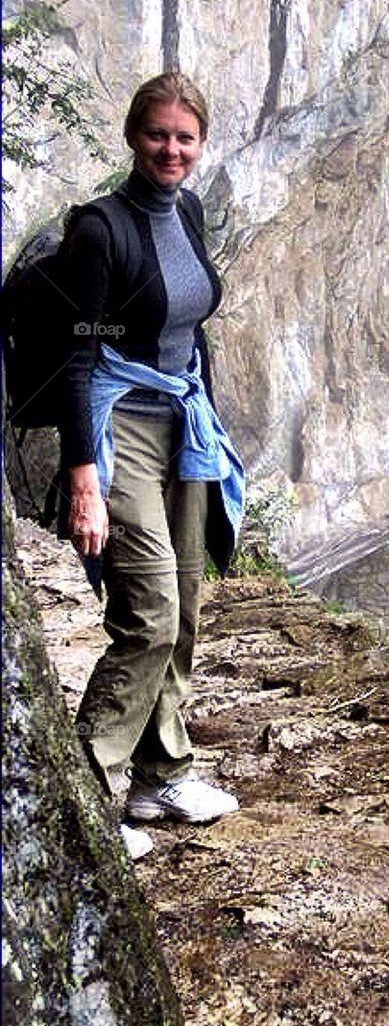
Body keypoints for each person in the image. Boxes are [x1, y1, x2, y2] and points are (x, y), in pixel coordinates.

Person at [57, 71, 245, 860]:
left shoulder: (190, 210)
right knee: (151, 612)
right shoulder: (101, 230)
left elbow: (190, 328)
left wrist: (207, 417)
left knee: (189, 605)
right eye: (158, 134)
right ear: (134, 137)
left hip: (181, 424)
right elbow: (75, 357)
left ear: (200, 144)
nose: (171, 149)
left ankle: (161, 772)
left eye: (185, 137)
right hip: (119, 424)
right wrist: (82, 478)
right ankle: (83, 800)